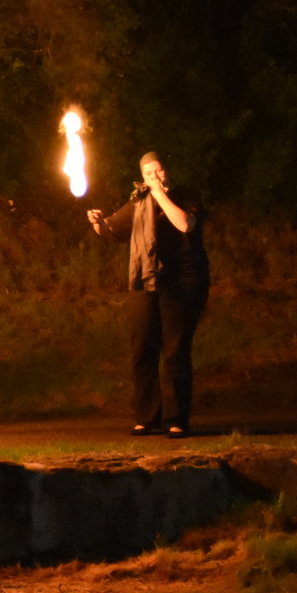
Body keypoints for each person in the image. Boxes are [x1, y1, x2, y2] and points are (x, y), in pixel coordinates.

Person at [89, 152, 209, 438]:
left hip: (182, 281)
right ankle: (147, 417)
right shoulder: (138, 201)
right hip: (146, 280)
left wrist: (159, 194)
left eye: (157, 171)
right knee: (142, 348)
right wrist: (97, 221)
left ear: (166, 171)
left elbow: (185, 225)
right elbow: (112, 231)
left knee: (174, 351)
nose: (153, 177)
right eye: (147, 174)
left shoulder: (184, 195)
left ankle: (177, 419)